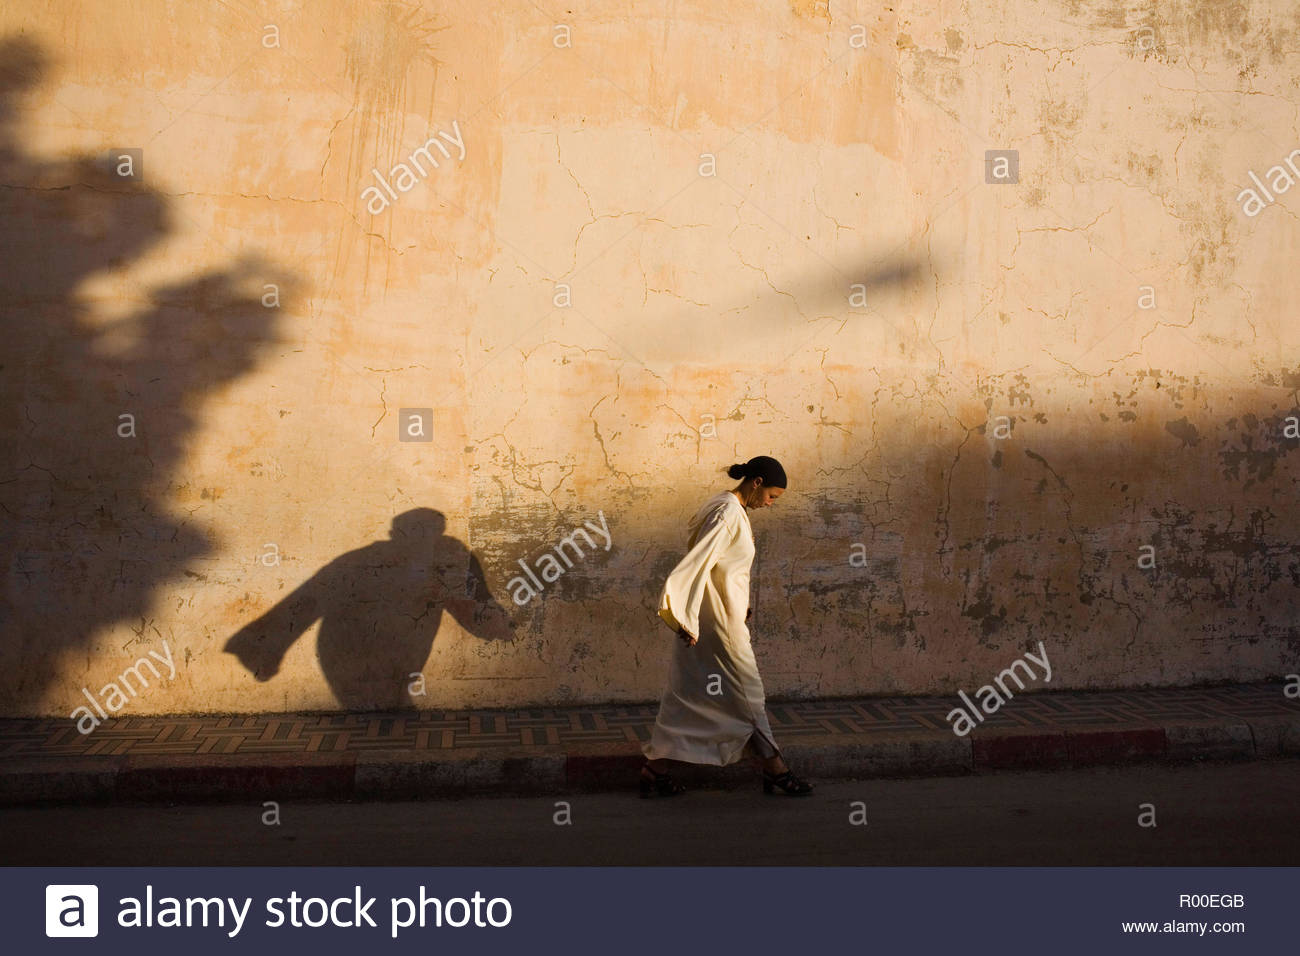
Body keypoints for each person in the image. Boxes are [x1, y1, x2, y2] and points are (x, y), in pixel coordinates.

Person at [639, 455, 814, 797]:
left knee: (691, 694)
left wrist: (739, 601)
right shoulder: (728, 513)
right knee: (749, 696)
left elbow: (725, 568)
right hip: (719, 626)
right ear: (757, 482)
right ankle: (776, 770)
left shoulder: (724, 505)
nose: (771, 503)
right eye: (772, 496)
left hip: (720, 615)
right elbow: (696, 563)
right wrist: (684, 618)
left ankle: (653, 770)